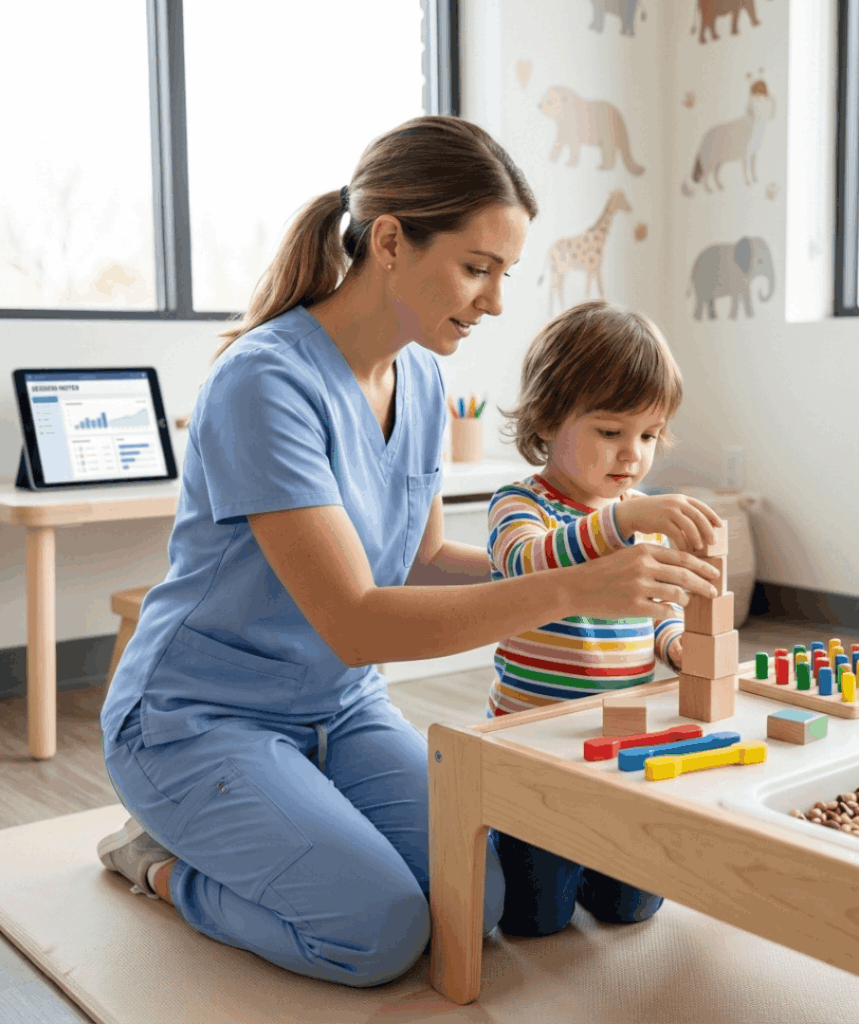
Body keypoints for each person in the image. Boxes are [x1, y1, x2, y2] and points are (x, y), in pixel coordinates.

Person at [96, 115, 717, 990]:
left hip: (339, 710)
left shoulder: (422, 376)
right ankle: (163, 865)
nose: (496, 303)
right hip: (199, 717)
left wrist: (587, 562)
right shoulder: (264, 383)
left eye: (506, 274)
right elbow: (356, 621)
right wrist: (579, 584)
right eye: (477, 268)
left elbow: (422, 559)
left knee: (480, 898)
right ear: (389, 240)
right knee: (379, 933)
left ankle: (277, 819)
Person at [484, 299, 723, 936]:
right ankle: (508, 846)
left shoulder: (640, 512)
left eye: (648, 436)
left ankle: (592, 857)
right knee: (533, 920)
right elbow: (523, 566)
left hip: (621, 739)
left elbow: (662, 612)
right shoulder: (521, 503)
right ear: (547, 418)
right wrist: (620, 520)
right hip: (535, 741)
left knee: (632, 908)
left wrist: (677, 646)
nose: (632, 457)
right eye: (610, 432)